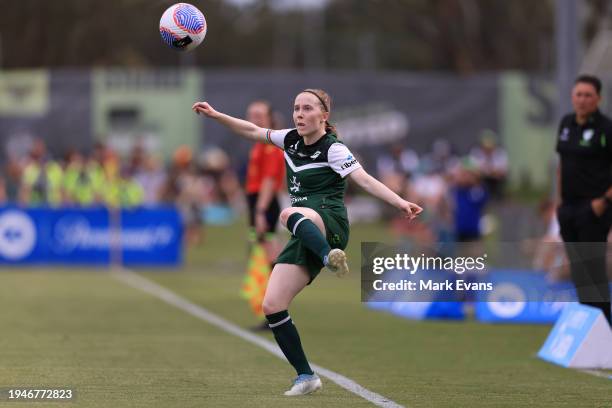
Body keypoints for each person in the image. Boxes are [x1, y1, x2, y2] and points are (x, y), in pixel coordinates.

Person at [193, 89, 422, 396]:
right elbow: (251, 130)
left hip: (330, 224)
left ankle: (329, 257)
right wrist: (215, 114)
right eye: (296, 108)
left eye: (307, 108)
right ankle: (306, 376)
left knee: (287, 212)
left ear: (323, 117)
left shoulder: (334, 148)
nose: (299, 114)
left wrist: (400, 202)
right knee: (272, 305)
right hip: (306, 230)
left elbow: (364, 179)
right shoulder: (289, 139)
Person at [556, 74, 612, 325]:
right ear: (572, 96)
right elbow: (562, 164)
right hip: (568, 208)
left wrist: (603, 202)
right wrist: (560, 203)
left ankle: (604, 326)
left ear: (598, 98)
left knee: (593, 270)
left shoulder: (606, 128)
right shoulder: (566, 123)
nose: (582, 99)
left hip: (594, 208)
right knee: (578, 270)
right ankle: (588, 328)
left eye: (588, 95)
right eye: (579, 94)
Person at [242, 100, 285, 330]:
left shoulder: (270, 145)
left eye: (259, 115)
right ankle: (272, 309)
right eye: (251, 114)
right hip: (258, 202)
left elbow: (269, 181)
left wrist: (260, 211)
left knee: (270, 255)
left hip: (263, 204)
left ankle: (276, 310)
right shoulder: (259, 144)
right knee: (265, 254)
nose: (254, 119)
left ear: (269, 118)